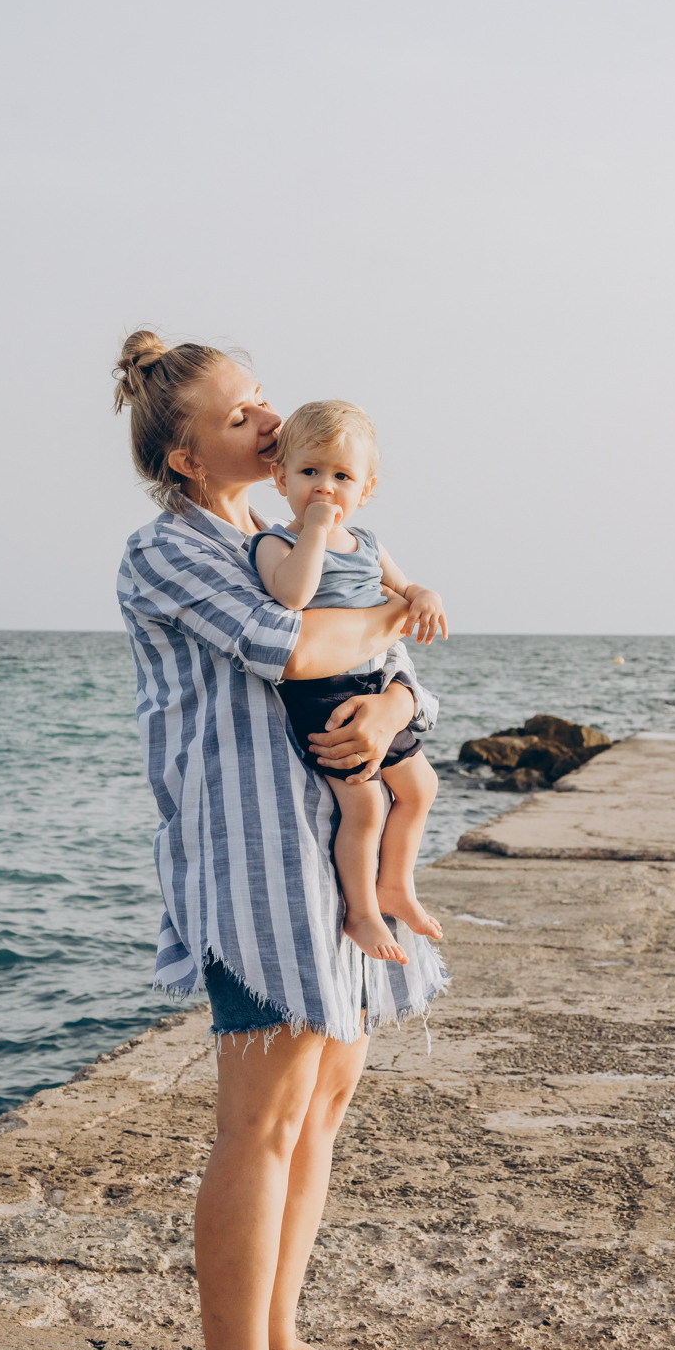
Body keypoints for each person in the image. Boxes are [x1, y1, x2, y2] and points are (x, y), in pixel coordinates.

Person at [113, 330, 447, 1350]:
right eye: (242, 412)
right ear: (185, 455)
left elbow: (394, 673)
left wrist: (401, 711)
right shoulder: (167, 550)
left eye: (264, 401)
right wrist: (385, 643)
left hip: (325, 838)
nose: (269, 420)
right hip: (249, 856)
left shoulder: (285, 532)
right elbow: (289, 648)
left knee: (324, 1098)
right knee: (258, 1119)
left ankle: (279, 1334)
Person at [255, 399, 446, 967]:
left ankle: (396, 885)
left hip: (373, 682)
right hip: (320, 693)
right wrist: (314, 531)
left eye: (342, 477)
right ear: (280, 477)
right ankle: (361, 910)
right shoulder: (275, 544)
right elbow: (291, 595)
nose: (325, 488)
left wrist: (426, 597)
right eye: (309, 472)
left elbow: (405, 591)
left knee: (420, 789)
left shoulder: (367, 543)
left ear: (365, 488)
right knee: (363, 804)